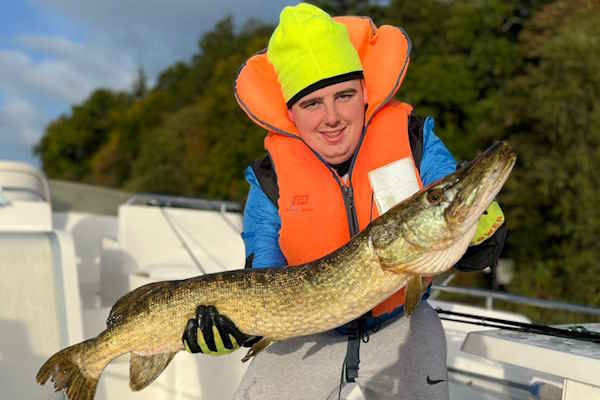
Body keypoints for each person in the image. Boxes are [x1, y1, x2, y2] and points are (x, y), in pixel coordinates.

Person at [182, 3, 507, 399]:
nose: (332, 117)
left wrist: (482, 232)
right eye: (312, 103)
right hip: (304, 336)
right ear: (291, 114)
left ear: (365, 93)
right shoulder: (269, 180)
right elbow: (262, 272)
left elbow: (446, 199)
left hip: (400, 324)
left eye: (345, 95)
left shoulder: (414, 139)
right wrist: (235, 328)